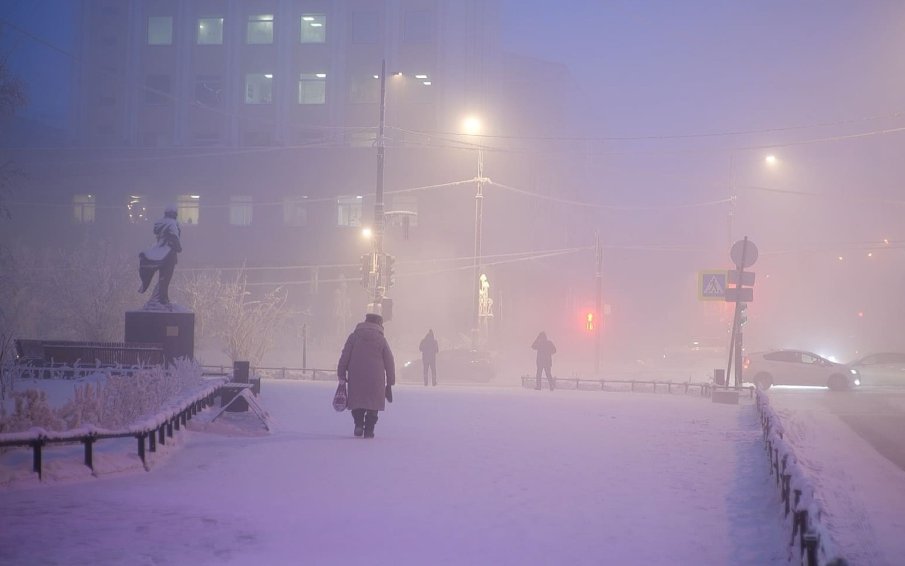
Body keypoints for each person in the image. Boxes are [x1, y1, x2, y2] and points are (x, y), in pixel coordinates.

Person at [337, 313, 396, 438]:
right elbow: (389, 361)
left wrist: (341, 373)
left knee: (358, 401)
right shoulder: (381, 340)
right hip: (376, 378)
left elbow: (345, 356)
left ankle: (358, 424)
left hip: (356, 376)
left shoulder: (353, 337)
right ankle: (369, 430)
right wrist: (390, 382)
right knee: (373, 404)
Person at [138, 205, 182, 306]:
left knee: (162, 278)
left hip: (161, 252)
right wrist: (179, 248)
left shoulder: (160, 223)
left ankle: (161, 298)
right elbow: (175, 236)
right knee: (165, 278)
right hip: (169, 254)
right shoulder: (172, 223)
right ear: (173, 214)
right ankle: (160, 299)